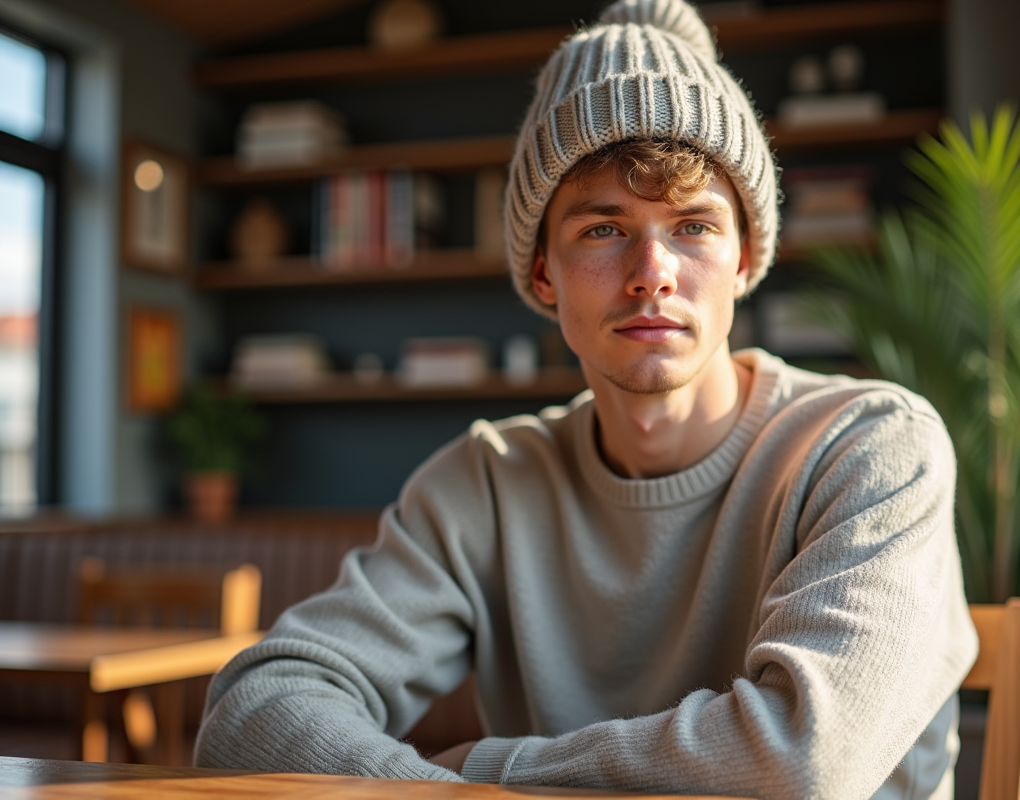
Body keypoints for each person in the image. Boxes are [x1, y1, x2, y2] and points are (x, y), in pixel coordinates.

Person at [195, 1, 978, 797]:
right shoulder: (488, 484)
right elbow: (254, 708)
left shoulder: (869, 446)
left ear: (745, 259)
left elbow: (804, 758)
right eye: (604, 229)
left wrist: (484, 772)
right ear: (544, 273)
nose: (652, 273)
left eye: (694, 227)